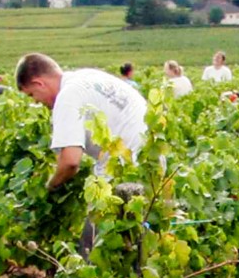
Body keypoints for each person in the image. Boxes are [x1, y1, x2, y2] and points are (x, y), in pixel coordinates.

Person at [15, 52, 148, 190]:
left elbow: (70, 162)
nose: (35, 101)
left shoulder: (67, 96)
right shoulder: (89, 76)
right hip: (150, 168)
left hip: (121, 175)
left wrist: (50, 187)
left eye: (32, 94)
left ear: (39, 83)